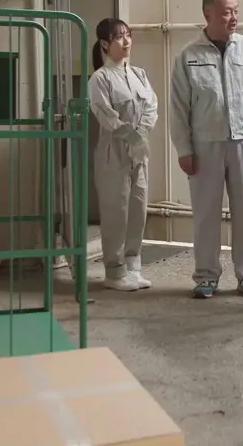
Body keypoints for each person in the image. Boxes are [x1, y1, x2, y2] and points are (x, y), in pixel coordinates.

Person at [170, 0, 243, 299]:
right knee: (205, 214)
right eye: (226, 12)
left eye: (235, 11)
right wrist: (184, 149)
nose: (233, 17)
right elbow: (178, 108)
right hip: (204, 145)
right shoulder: (188, 56)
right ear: (207, 14)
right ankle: (206, 276)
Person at [87, 18, 159, 292]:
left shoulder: (139, 74)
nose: (127, 41)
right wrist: (131, 136)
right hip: (113, 151)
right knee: (116, 211)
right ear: (105, 44)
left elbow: (151, 105)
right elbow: (106, 115)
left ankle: (133, 268)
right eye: (119, 37)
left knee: (138, 208)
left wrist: (141, 134)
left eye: (128, 35)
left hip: (139, 151)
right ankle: (114, 272)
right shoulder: (100, 78)